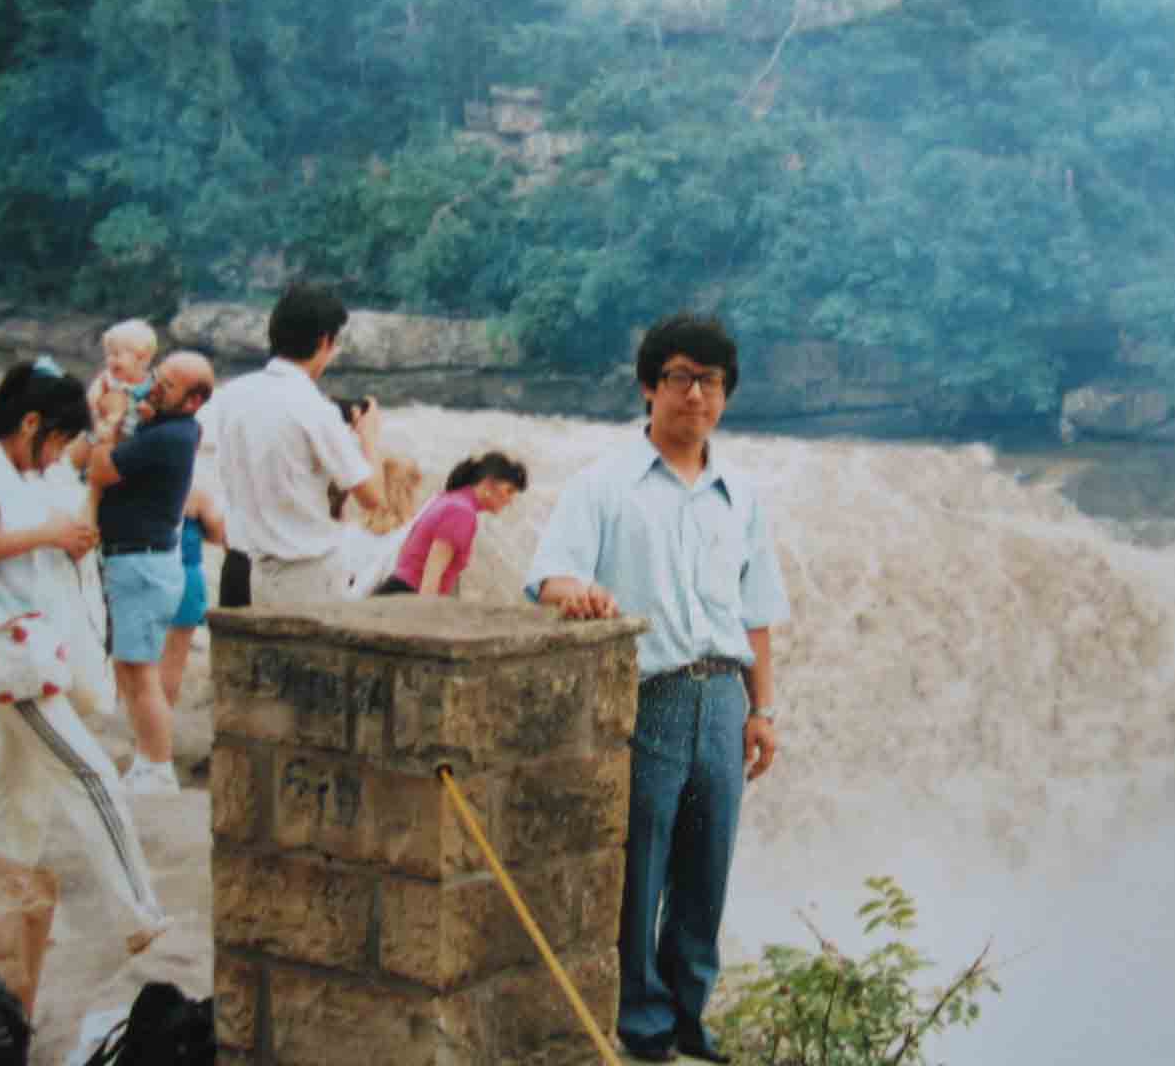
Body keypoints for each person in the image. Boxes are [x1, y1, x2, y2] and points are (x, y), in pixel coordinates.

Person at [525, 313, 790, 1065]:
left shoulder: (741, 495)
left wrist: (764, 710)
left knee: (707, 872)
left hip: (724, 701)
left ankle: (688, 1015)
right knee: (640, 869)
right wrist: (578, 593)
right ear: (649, 386)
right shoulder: (603, 485)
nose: (695, 394)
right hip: (651, 696)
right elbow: (549, 576)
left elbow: (757, 613)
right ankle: (642, 1024)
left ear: (725, 395)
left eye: (710, 381)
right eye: (679, 378)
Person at [0, 358, 167, 955]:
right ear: (30, 424)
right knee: (90, 776)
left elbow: (15, 540)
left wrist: (63, 540)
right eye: (57, 440)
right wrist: (51, 536)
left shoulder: (18, 472)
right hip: (14, 660)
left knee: (16, 792)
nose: (56, 455)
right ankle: (141, 917)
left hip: (27, 650)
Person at [87, 351, 214, 796]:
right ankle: (146, 759)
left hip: (142, 563)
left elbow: (100, 468)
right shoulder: (168, 428)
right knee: (130, 668)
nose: (154, 387)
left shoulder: (173, 436)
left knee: (141, 675)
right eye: (157, 377)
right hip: (138, 559)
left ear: (192, 401)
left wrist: (111, 423)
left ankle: (157, 767)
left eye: (168, 385)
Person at [211, 282, 385, 605]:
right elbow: (373, 497)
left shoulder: (231, 395)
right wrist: (368, 436)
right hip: (306, 573)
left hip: (243, 566)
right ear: (325, 341)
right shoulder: (315, 408)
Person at [374, 452, 526, 596]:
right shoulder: (462, 512)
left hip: (396, 590)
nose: (510, 500)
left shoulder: (448, 499)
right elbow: (431, 577)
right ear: (488, 484)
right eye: (509, 490)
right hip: (407, 595)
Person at [158, 483, 225, 710]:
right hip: (184, 572)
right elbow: (219, 534)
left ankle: (141, 720)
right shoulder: (193, 493)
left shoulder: (131, 483)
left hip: (143, 566)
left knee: (141, 659)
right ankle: (162, 717)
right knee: (174, 658)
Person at [86, 318, 157, 441]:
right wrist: (97, 417)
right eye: (108, 354)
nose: (110, 360)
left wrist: (149, 412)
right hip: (104, 432)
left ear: (142, 358)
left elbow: (157, 412)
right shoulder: (106, 378)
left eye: (116, 354)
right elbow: (91, 400)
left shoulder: (151, 383)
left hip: (133, 437)